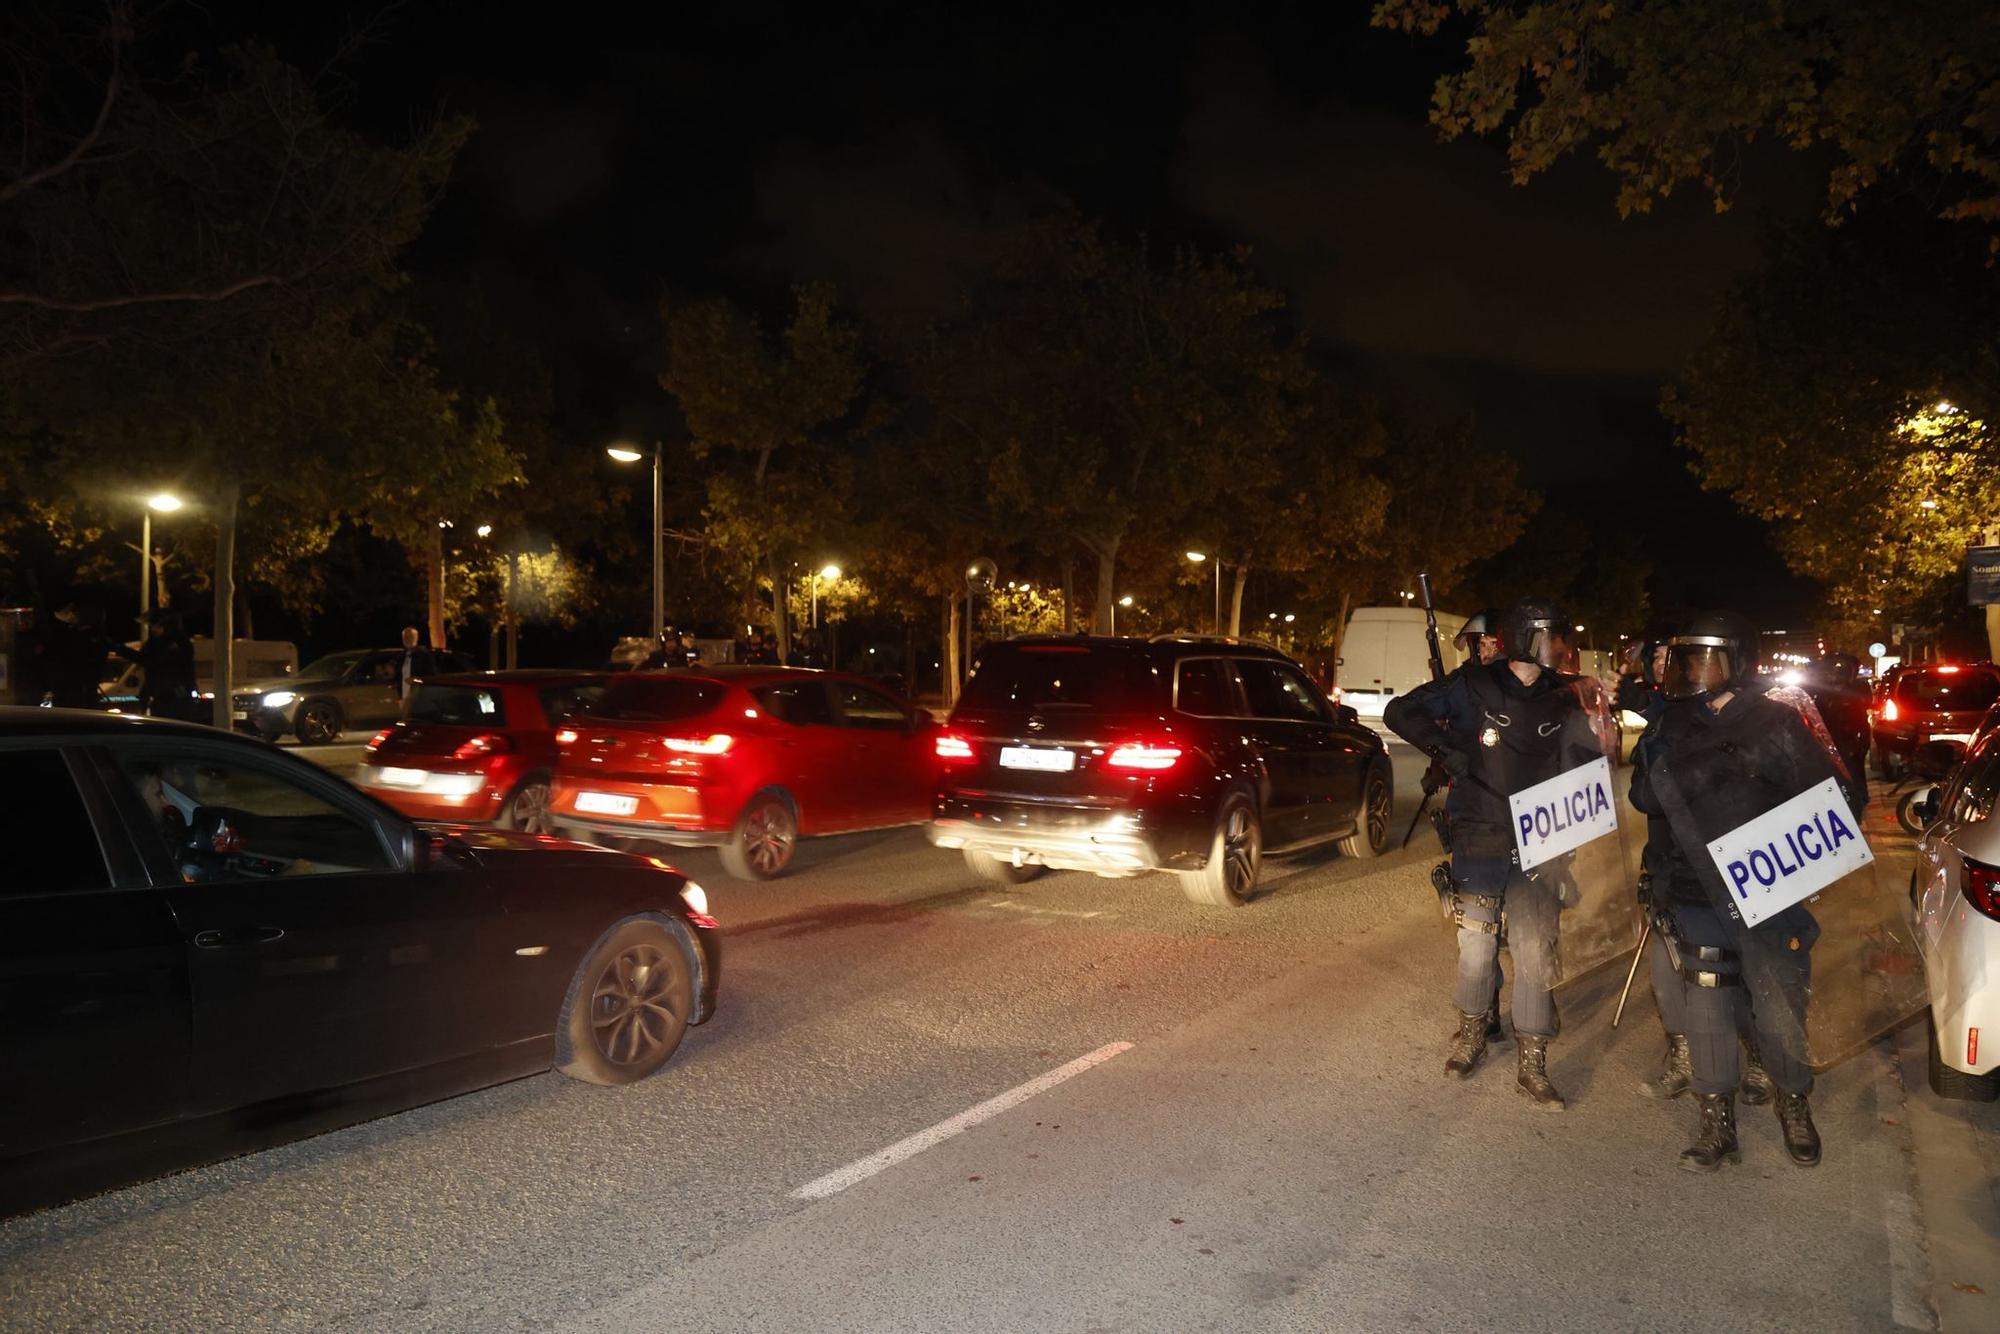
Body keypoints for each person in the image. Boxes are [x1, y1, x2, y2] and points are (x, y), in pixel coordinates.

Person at [1629, 612, 1849, 1171]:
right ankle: (1716, 1122)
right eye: (1685, 660)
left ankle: (1793, 1103)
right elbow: (1643, 798)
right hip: (1695, 886)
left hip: (1766, 887)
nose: (1692, 672)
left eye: (1703, 659)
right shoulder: (1670, 724)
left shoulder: (1777, 721)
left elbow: (1835, 799)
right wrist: (1695, 766)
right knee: (1706, 1007)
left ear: (1737, 662)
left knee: (1778, 1006)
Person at [1385, 597, 1599, 1109]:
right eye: (1549, 636)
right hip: (1480, 833)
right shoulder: (1473, 684)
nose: (1559, 646)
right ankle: (1475, 1033)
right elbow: (1401, 711)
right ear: (1525, 638)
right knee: (1478, 946)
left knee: (1532, 950)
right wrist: (1448, 751)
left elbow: (1582, 763)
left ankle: (1533, 1059)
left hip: (1539, 842)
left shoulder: (1563, 696)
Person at [109, 609, 200, 721]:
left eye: (155, 625)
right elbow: (147, 660)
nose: (152, 629)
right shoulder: (155, 642)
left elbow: (151, 660)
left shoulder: (178, 643)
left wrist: (121, 649)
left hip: (176, 698)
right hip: (160, 697)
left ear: (166, 625)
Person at [394, 626, 437, 702]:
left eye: (410, 637)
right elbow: (398, 677)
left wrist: (416, 680)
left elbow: (431, 677)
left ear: (416, 638)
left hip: (419, 698)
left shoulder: (424, 656)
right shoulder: (402, 656)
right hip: (404, 698)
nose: (407, 639)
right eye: (405, 637)